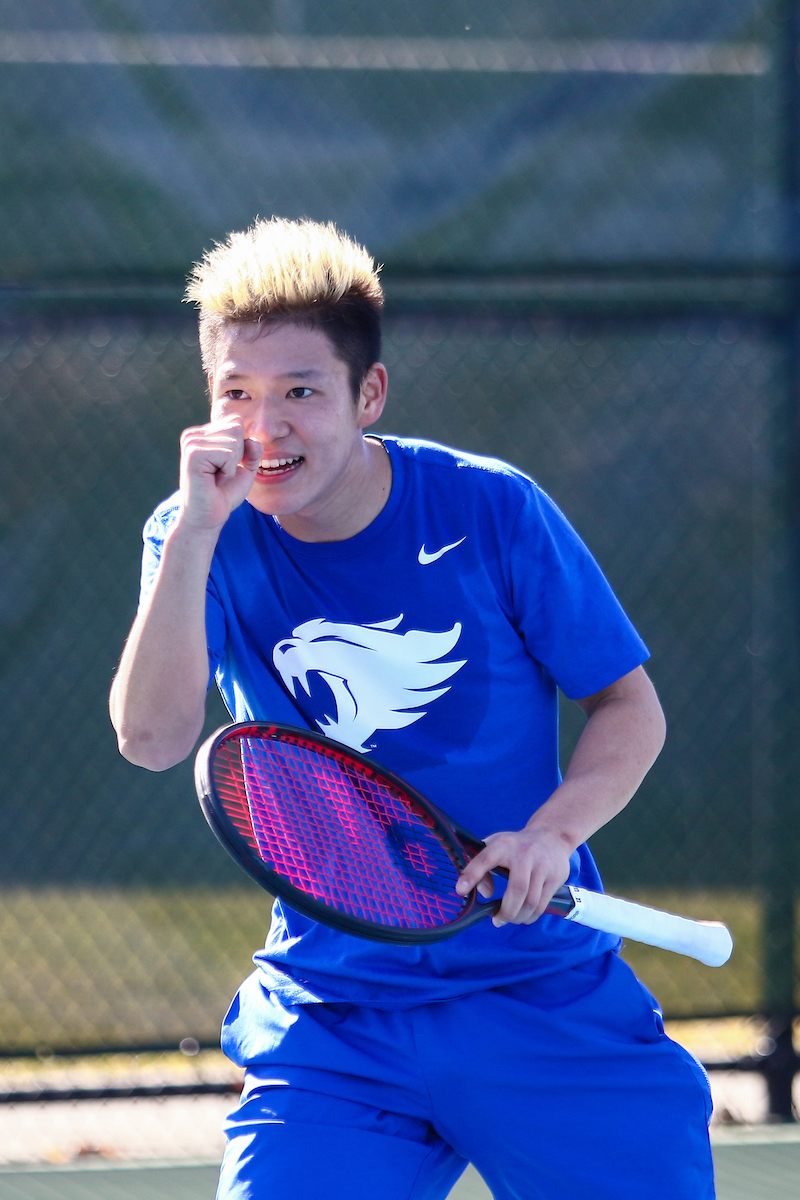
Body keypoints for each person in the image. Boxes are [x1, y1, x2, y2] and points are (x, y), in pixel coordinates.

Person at [110, 217, 715, 1200]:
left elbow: (625, 704)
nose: (265, 427)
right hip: (334, 1016)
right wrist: (194, 536)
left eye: (300, 392)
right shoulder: (195, 532)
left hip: (537, 994)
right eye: (235, 394)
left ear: (368, 395)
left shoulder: (492, 510)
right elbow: (149, 739)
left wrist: (550, 835)